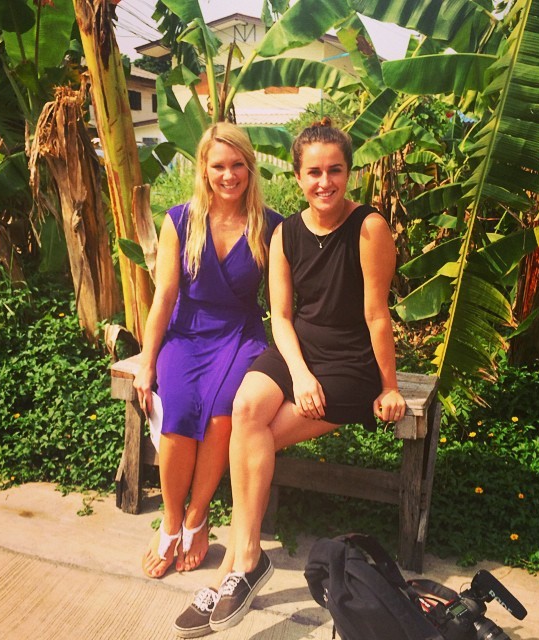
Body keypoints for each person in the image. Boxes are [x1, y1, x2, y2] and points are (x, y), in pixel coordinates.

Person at [172, 118, 406, 637]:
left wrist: (389, 386)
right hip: (299, 350)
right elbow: (280, 316)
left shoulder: (368, 227)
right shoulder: (284, 234)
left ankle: (234, 565)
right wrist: (299, 374)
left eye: (335, 171)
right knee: (245, 408)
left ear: (349, 173)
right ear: (297, 177)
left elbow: (376, 315)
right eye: (314, 172)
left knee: (252, 439)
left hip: (350, 362)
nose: (325, 182)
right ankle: (245, 560)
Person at [133, 122, 283, 583]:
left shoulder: (270, 225)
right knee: (178, 409)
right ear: (204, 168)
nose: (229, 175)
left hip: (239, 334)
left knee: (222, 415)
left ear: (250, 167)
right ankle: (171, 521)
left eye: (238, 165)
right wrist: (146, 361)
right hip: (186, 331)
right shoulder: (180, 220)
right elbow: (164, 297)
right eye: (219, 166)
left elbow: (284, 301)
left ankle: (197, 518)